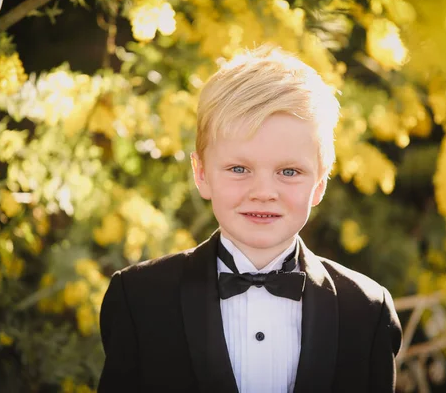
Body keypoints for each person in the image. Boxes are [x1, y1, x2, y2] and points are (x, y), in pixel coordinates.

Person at [98, 45, 402, 393]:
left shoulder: (366, 309)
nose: (263, 191)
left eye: (289, 171)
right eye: (239, 169)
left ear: (319, 184)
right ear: (201, 173)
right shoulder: (139, 298)